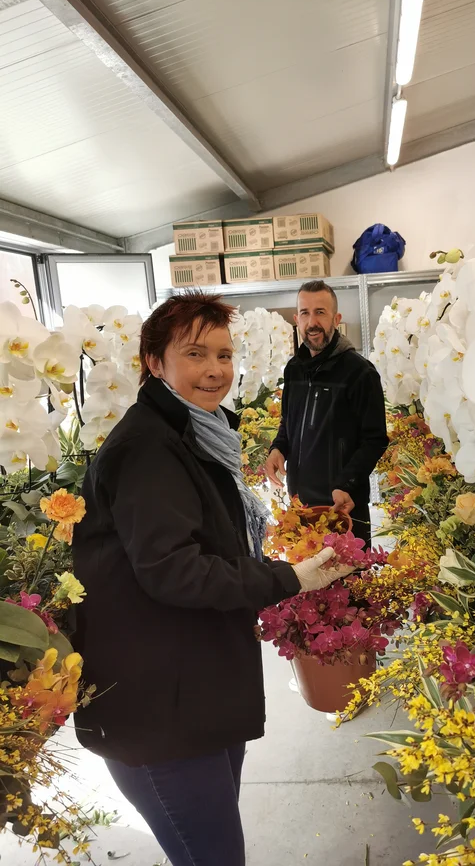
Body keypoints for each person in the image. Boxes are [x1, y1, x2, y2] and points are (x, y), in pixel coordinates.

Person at [72, 292, 351, 866]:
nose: (215, 370)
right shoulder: (149, 447)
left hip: (193, 686)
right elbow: (174, 571)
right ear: (154, 361)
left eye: (224, 355)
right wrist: (286, 579)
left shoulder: (195, 434)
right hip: (155, 707)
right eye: (195, 354)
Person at [266, 280, 388, 546]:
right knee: (306, 583)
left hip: (343, 504)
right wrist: (278, 448)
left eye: (320, 312)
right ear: (297, 319)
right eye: (306, 313)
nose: (313, 322)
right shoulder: (294, 370)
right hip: (301, 504)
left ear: (336, 318)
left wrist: (347, 483)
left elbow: (375, 439)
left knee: (351, 585)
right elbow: (290, 421)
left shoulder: (360, 373)